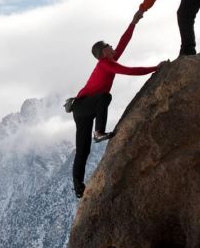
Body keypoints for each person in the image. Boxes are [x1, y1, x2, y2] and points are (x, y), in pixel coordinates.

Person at [70, 21, 163, 198]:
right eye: (109, 46)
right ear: (104, 52)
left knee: (83, 150)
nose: (113, 47)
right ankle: (98, 132)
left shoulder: (109, 61)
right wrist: (155, 68)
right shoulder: (106, 64)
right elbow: (130, 71)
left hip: (81, 108)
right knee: (105, 97)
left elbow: (123, 41)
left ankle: (78, 185)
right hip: (84, 105)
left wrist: (134, 22)